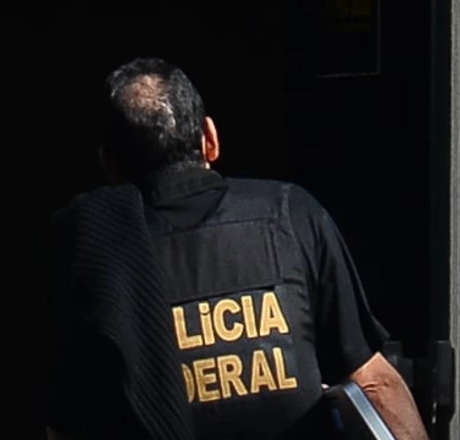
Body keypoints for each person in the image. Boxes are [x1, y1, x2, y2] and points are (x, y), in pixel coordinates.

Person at [45, 58, 428, 440]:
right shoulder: (290, 214)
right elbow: (374, 382)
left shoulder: (92, 255)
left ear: (108, 166)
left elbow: (68, 420)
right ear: (210, 139)